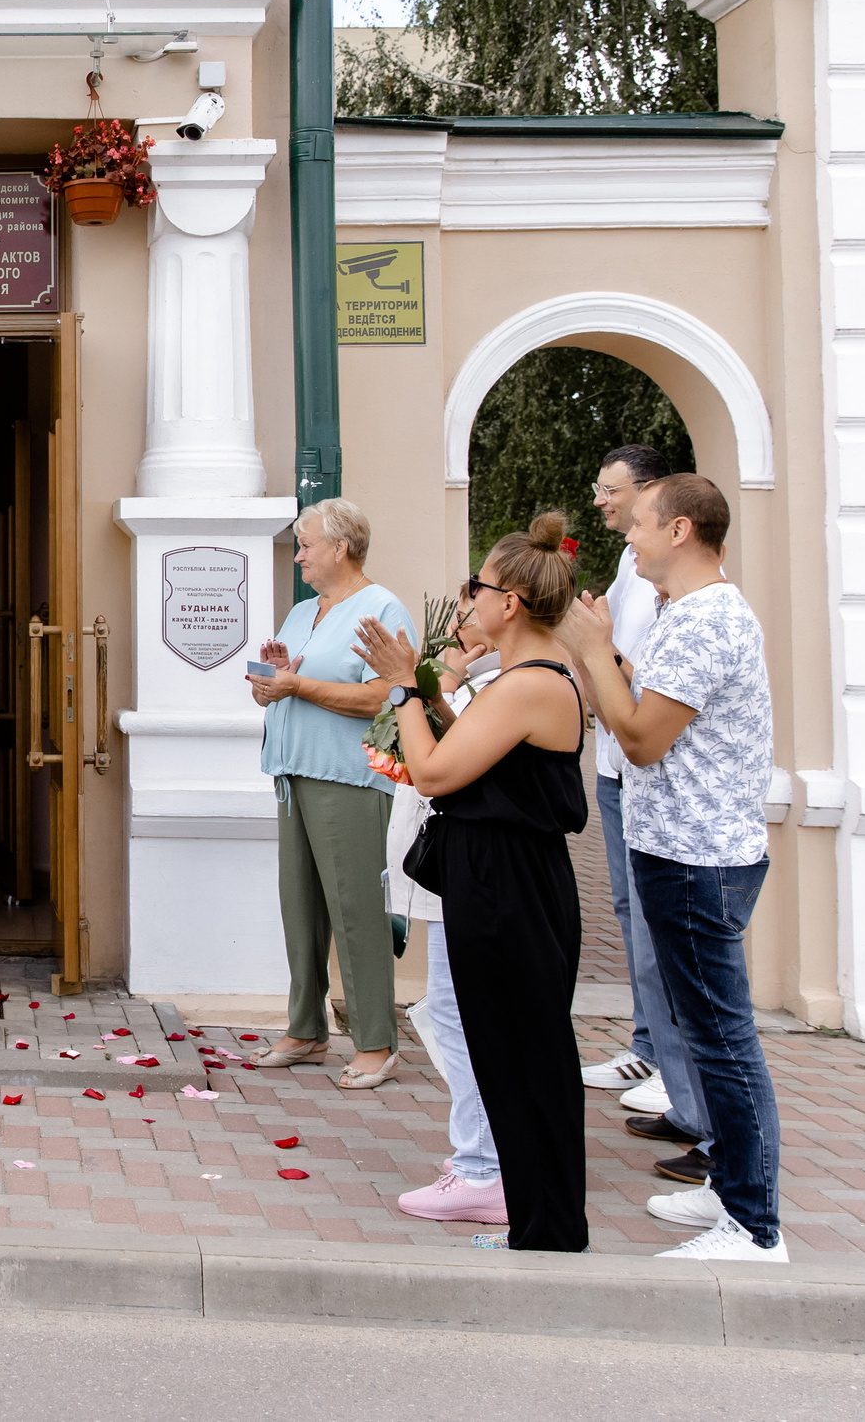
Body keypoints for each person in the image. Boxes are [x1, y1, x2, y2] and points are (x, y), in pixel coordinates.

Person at [559, 474, 788, 1263]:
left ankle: (754, 1226)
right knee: (705, 1033)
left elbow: (642, 738)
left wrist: (594, 652)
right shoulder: (684, 613)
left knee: (722, 1041)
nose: (629, 534)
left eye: (642, 523)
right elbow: (633, 714)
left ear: (682, 529)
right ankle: (728, 1185)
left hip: (697, 857)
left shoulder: (705, 617)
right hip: (683, 850)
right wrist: (599, 656)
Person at [355, 512, 590, 1254]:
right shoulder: (522, 679)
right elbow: (473, 750)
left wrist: (404, 690)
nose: (469, 599)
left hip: (510, 887)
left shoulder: (531, 682)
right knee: (509, 1054)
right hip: (503, 879)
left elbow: (433, 771)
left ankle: (551, 1230)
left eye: (476, 586)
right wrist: (431, 692)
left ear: (509, 602)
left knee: (524, 1057)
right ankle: (538, 1222)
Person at [581, 445, 715, 1189]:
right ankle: (670, 1077)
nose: (611, 512)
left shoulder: (701, 616)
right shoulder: (642, 576)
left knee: (685, 971)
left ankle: (710, 1131)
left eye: (616, 495)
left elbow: (642, 722)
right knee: (640, 935)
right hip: (630, 783)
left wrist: (596, 654)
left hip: (682, 820)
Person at [248, 498, 417, 1089]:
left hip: (348, 777)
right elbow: (276, 686)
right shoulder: (302, 612)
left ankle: (376, 1042)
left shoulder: (381, 608)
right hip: (291, 773)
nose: (298, 556)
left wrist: (297, 685)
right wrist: (269, 680)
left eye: (306, 545)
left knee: (355, 911)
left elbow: (385, 695)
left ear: (341, 547)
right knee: (300, 909)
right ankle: (306, 1030)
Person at [385, 612, 510, 1225]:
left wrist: (417, 690)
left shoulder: (505, 684)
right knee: (449, 1009)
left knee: (461, 1016)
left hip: (473, 866)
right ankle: (482, 1155)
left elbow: (440, 769)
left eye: (470, 608)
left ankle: (483, 1167)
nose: (459, 624)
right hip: (456, 867)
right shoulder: (483, 681)